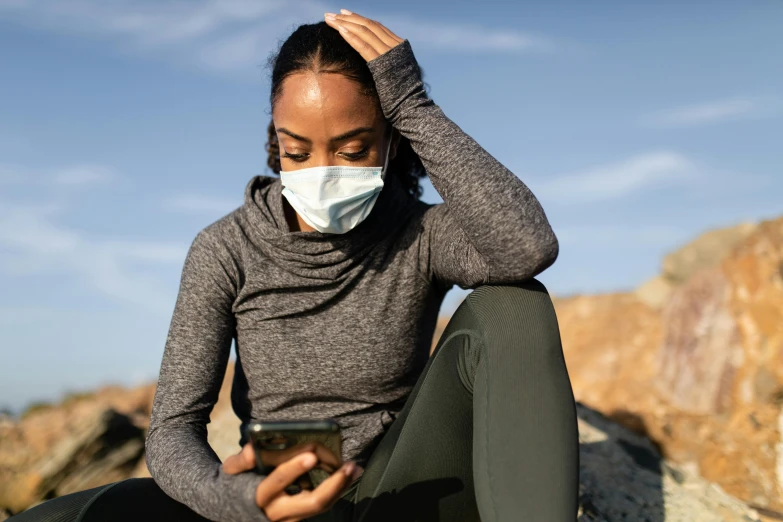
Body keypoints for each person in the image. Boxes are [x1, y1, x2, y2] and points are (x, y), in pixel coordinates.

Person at [9, 9, 579, 522]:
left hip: (394, 494)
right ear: (274, 142)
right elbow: (172, 430)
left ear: (392, 142)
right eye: (297, 151)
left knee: (515, 299)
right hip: (271, 501)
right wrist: (237, 501)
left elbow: (526, 248)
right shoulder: (225, 249)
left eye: (353, 149)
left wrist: (413, 104)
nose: (324, 170)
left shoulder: (420, 232)